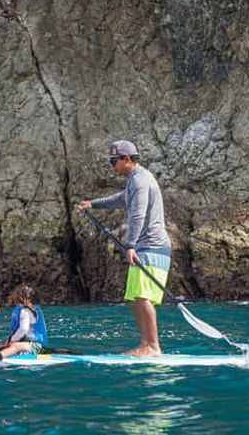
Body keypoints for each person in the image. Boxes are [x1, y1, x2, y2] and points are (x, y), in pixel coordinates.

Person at [77, 139, 171, 357]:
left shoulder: (141, 181)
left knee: (142, 296)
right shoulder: (134, 181)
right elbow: (121, 199)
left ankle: (153, 346)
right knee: (135, 297)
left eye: (113, 161)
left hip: (151, 246)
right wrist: (93, 204)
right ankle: (146, 343)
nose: (112, 166)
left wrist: (129, 245)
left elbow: (137, 215)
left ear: (126, 159)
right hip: (146, 247)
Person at [0, 285, 48, 362]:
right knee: (8, 345)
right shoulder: (32, 309)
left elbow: (23, 329)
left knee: (15, 345)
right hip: (30, 344)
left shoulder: (25, 311)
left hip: (37, 346)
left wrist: (13, 340)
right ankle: (3, 352)